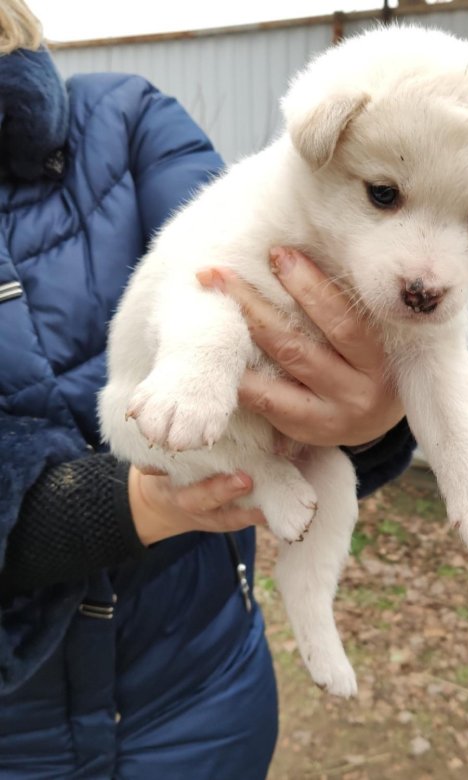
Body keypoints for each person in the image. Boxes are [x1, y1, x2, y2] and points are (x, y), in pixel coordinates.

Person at [0, 1, 415, 777]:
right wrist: (133, 505)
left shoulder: (125, 122)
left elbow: (238, 273)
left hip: (201, 696)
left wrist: (368, 415)